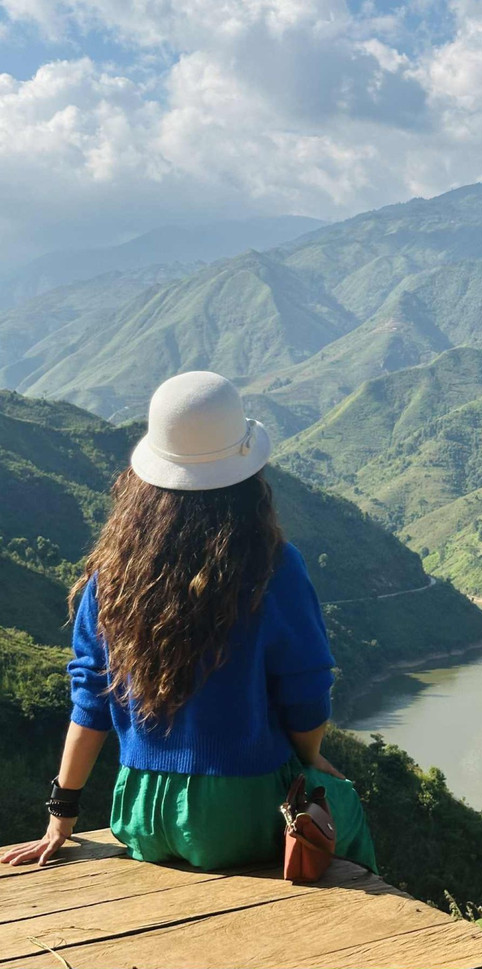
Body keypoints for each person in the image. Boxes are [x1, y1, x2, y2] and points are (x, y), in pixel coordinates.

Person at [1, 371, 377, 872]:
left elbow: (90, 699)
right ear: (249, 476)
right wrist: (309, 759)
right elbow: (307, 694)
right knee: (342, 808)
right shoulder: (273, 566)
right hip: (240, 815)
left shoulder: (112, 576)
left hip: (141, 813)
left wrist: (61, 813)